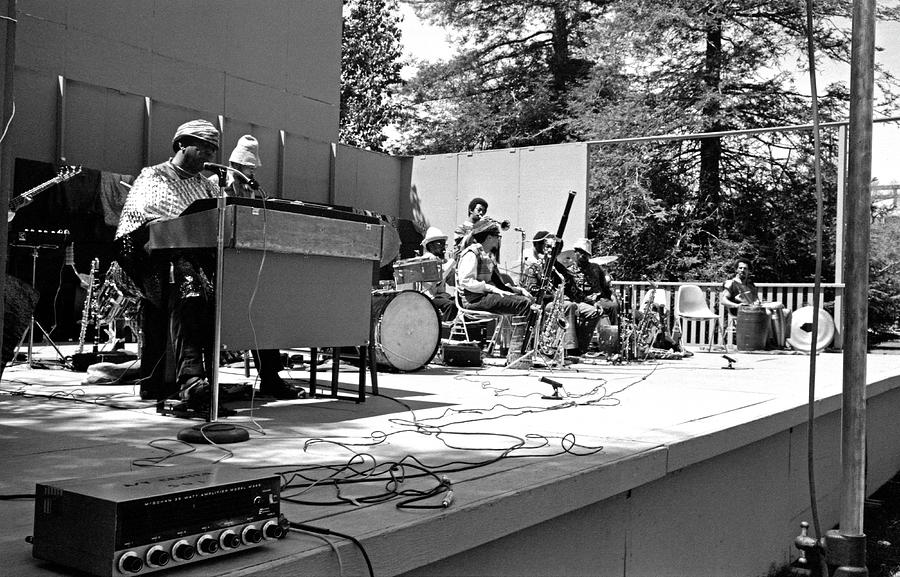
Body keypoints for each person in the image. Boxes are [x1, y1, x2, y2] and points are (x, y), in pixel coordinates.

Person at [115, 119, 222, 413]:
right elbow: (145, 221)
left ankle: (267, 375)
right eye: (204, 147)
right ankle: (191, 378)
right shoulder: (154, 176)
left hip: (196, 260)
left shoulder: (207, 186)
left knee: (232, 283)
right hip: (152, 260)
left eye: (213, 150)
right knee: (187, 282)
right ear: (181, 145)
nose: (210, 155)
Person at [221, 135, 304, 399]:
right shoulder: (217, 185)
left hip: (247, 260)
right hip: (223, 263)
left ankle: (271, 377)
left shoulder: (254, 191)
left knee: (263, 314)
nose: (251, 172)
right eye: (247, 168)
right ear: (235, 165)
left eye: (253, 169)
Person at [520, 231, 592, 357]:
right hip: (545, 304)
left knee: (593, 311)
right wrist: (555, 296)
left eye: (557, 249)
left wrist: (590, 301)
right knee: (569, 306)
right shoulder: (534, 268)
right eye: (551, 248)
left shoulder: (561, 270)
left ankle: (581, 347)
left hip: (564, 302)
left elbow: (575, 291)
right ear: (544, 249)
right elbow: (531, 291)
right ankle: (570, 349)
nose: (555, 252)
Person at [457, 218, 532, 316]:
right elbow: (465, 281)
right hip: (474, 300)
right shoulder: (471, 254)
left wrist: (518, 290)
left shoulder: (487, 257)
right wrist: (491, 288)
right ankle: (523, 331)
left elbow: (498, 285)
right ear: (489, 238)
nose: (499, 240)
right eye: (498, 236)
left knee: (527, 300)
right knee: (523, 304)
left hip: (484, 296)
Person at [567, 238, 618, 347]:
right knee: (588, 311)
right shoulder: (569, 271)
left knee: (613, 307)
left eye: (585, 254)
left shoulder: (596, 268)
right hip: (582, 300)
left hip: (599, 299)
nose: (582, 256)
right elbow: (573, 292)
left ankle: (613, 340)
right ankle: (581, 344)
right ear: (575, 253)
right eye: (580, 252)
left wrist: (612, 296)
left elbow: (605, 287)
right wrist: (590, 301)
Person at [419, 226, 458, 321]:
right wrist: (453, 260)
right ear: (430, 245)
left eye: (444, 244)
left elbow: (452, 280)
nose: (443, 247)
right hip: (429, 297)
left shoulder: (441, 261)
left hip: (440, 296)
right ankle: (443, 328)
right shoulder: (428, 258)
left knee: (459, 302)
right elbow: (439, 276)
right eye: (440, 243)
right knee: (451, 305)